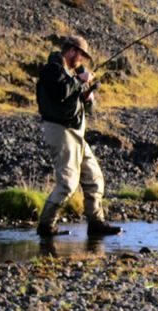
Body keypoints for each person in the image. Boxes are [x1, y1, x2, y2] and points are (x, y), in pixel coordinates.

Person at [36, 34, 121, 237]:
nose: (81, 59)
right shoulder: (52, 69)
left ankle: (96, 223)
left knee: (94, 178)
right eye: (80, 54)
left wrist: (87, 95)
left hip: (76, 132)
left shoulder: (71, 73)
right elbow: (60, 91)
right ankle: (46, 226)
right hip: (60, 131)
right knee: (67, 183)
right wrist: (79, 81)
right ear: (71, 51)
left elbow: (82, 105)